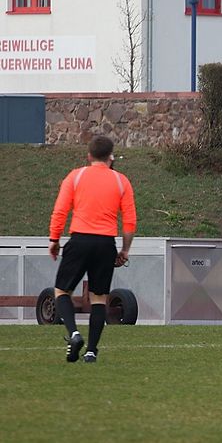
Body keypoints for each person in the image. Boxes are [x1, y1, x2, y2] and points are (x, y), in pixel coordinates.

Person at [48, 136, 137, 363]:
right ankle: (91, 351)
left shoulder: (75, 176)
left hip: (79, 240)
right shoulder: (121, 181)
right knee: (99, 298)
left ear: (89, 156)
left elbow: (60, 211)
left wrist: (54, 239)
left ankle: (74, 334)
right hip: (105, 244)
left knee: (61, 291)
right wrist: (125, 250)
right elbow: (129, 222)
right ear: (111, 156)